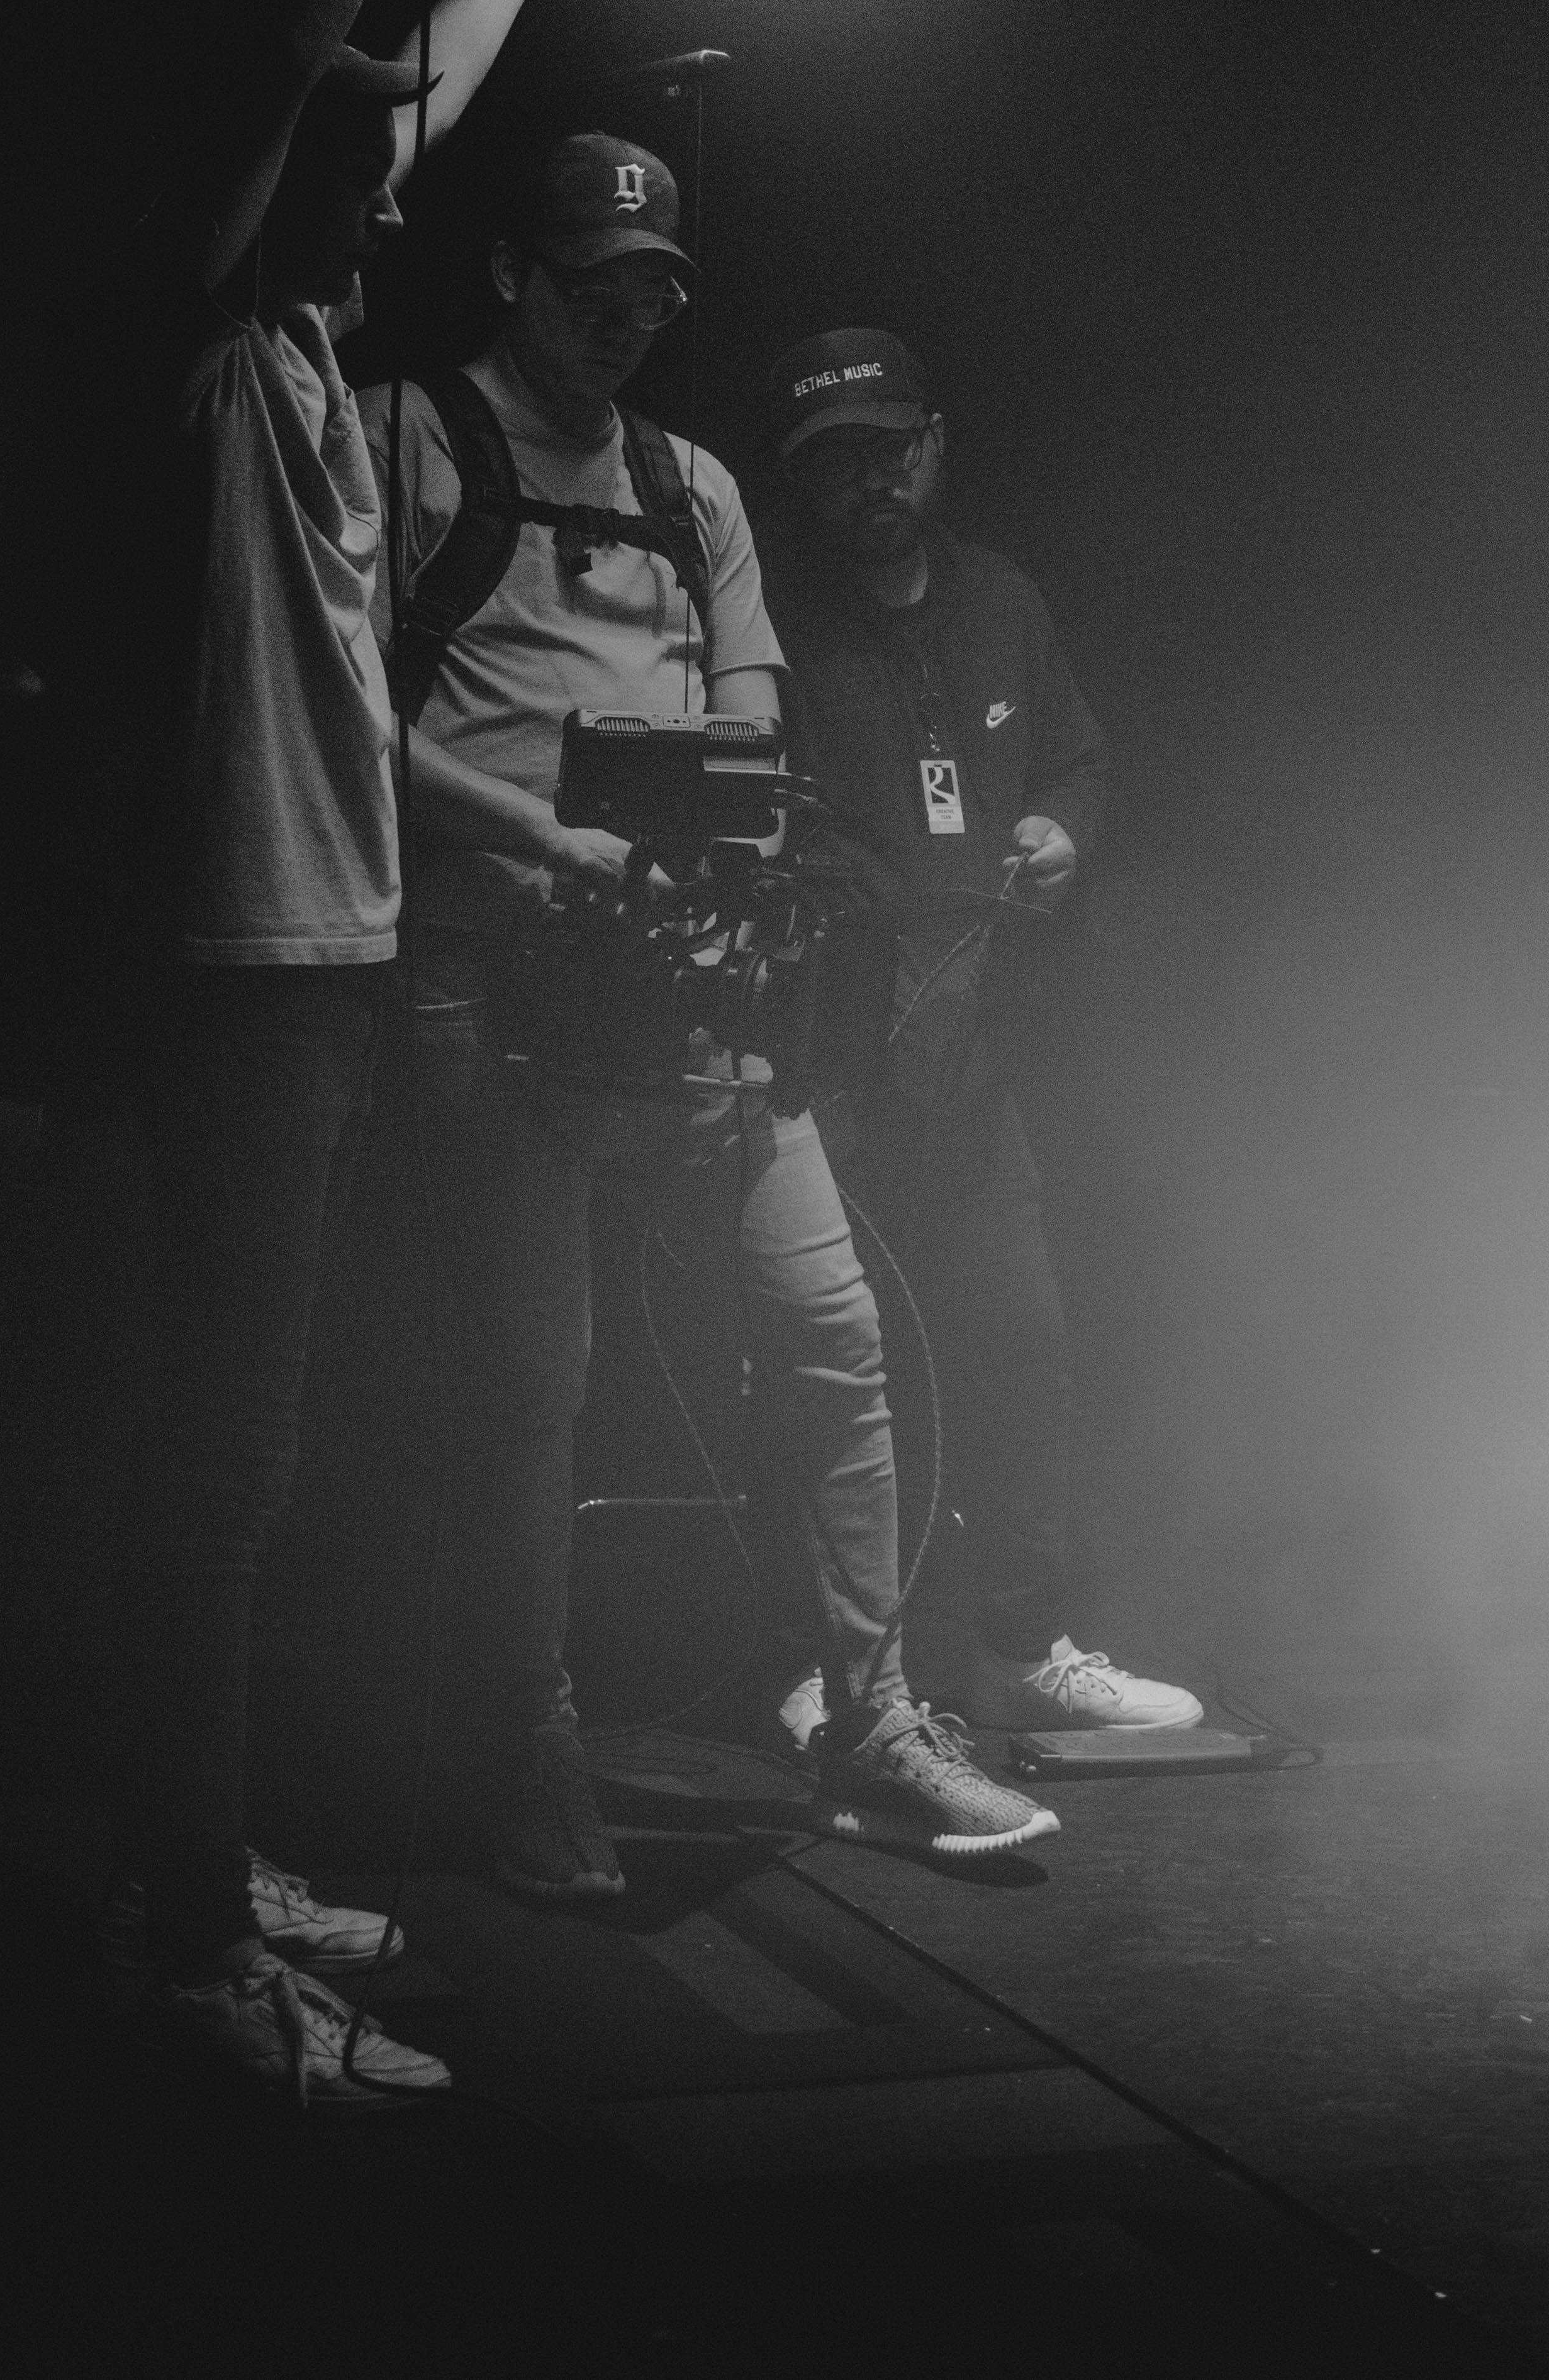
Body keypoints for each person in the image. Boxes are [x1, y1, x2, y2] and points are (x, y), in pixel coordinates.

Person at [92, 0, 631, 2100]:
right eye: (359, 172)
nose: (398, 198)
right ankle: (196, 1950)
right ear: (278, 184)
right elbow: (298, 83)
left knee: (257, 1460)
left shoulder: (310, 359)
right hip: (234, 973)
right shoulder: (207, 345)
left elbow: (394, 100)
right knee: (215, 1479)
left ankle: (190, 1865)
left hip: (320, 967)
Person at [361, 143, 1060, 1896]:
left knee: (832, 1331)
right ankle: (526, 1746)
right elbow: (336, 708)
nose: (629, 312)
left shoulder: (693, 485)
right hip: (488, 978)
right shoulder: (406, 437)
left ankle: (873, 1715)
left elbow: (749, 713)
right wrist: (546, 839)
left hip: (684, 978)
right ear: (515, 271)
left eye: (656, 285)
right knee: (531, 1384)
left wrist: (719, 865)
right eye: (595, 276)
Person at [756, 326, 1202, 1748]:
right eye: (838, 461)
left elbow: (1077, 754)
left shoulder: (1003, 599)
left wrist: (1063, 827)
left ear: (936, 444)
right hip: (830, 1057)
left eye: (890, 448)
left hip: (975, 1055)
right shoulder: (772, 618)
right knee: (841, 1366)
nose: (871, 479)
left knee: (1020, 1344)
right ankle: (839, 1665)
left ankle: (1018, 1647)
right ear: (803, 481)